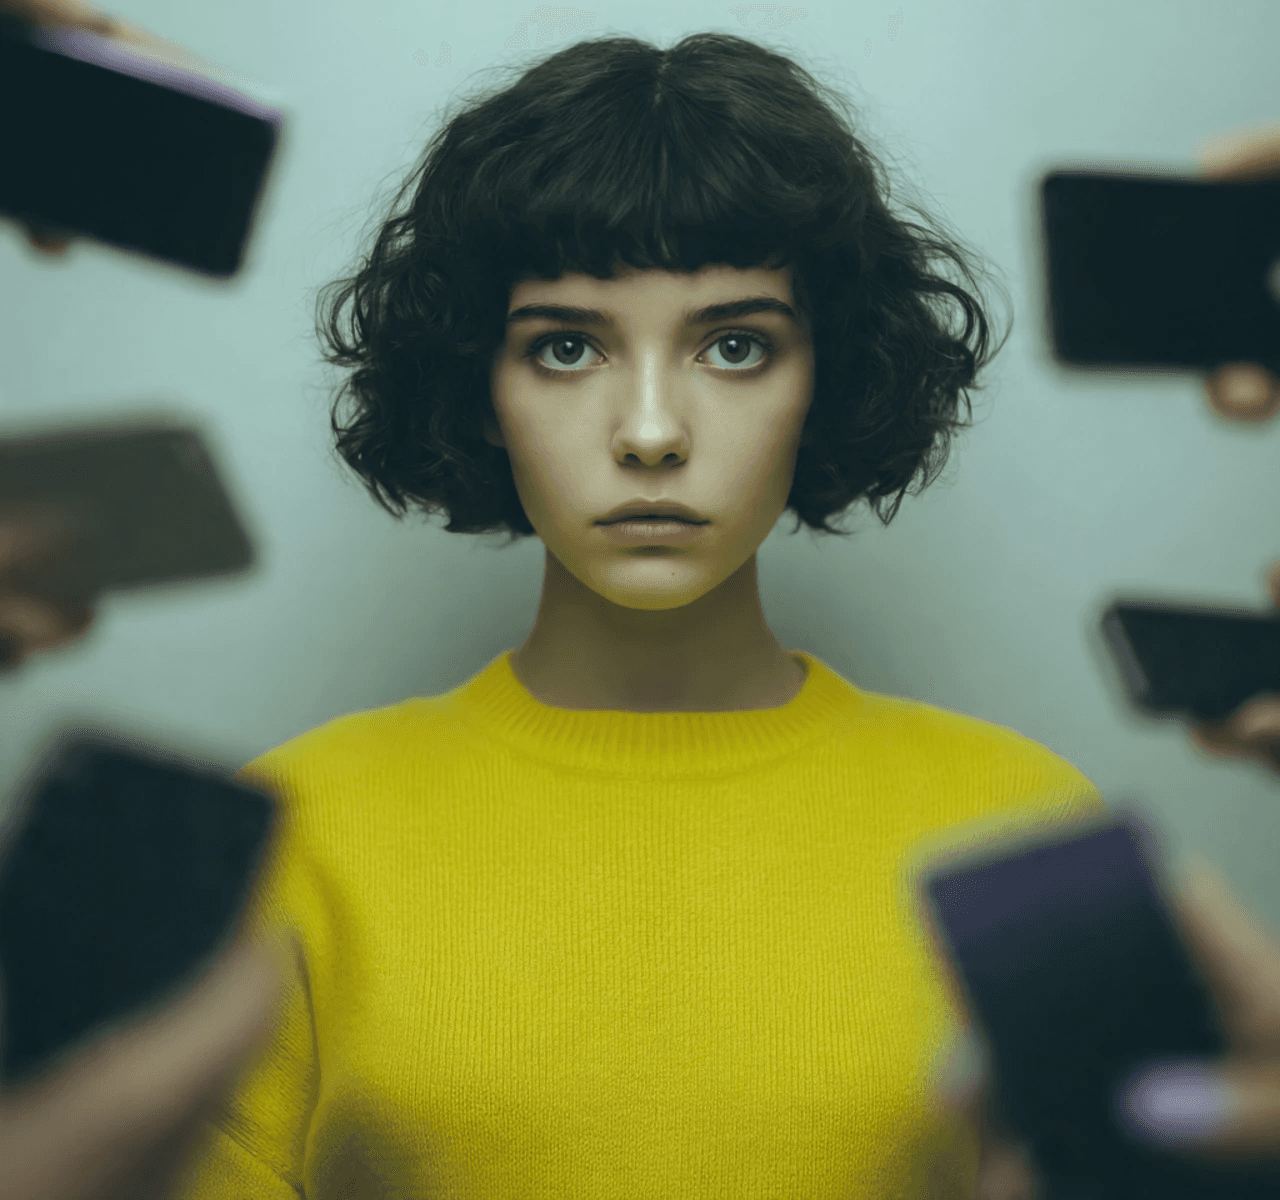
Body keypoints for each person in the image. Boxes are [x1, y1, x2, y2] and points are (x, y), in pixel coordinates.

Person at [1, 5, 1279, 1200]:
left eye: (735, 345)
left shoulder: (1029, 835)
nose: (652, 432)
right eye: (564, 344)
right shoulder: (285, 844)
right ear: (476, 386)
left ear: (824, 377)